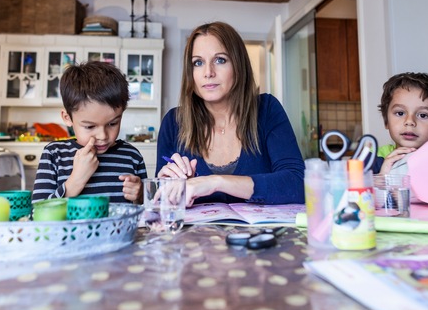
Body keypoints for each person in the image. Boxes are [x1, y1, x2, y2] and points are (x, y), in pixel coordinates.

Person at [156, 21, 305, 206]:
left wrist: (215, 182)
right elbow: (162, 203)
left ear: (238, 65)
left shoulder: (266, 109)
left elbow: (297, 184)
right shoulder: (173, 123)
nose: (208, 72)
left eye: (220, 60)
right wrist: (165, 188)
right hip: (196, 235)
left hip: (262, 235)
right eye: (198, 62)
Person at [32, 61, 146, 204]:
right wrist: (75, 181)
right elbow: (37, 213)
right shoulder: (54, 154)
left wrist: (141, 196)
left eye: (112, 123)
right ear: (68, 118)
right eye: (90, 127)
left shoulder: (132, 156)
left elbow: (149, 212)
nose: (103, 136)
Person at [372, 72, 428, 175]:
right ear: (386, 120)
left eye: (423, 115)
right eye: (400, 113)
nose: (409, 121)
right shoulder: (371, 159)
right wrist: (382, 178)